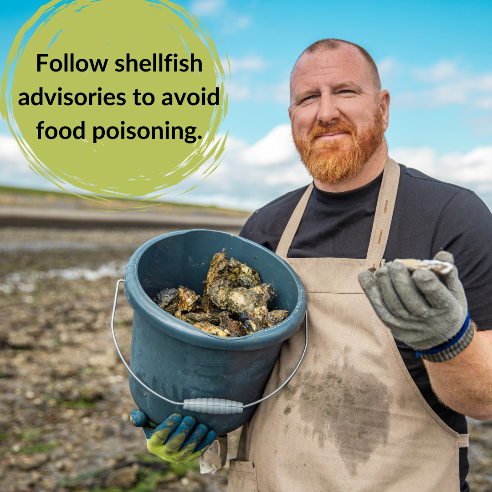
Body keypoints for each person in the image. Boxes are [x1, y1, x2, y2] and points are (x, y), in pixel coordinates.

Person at [131, 39, 492, 491]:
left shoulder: (452, 217)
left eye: (345, 92)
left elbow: (485, 400)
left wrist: (447, 341)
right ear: (292, 118)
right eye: (307, 98)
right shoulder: (265, 228)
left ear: (383, 108)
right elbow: (233, 377)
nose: (325, 112)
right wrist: (183, 412)